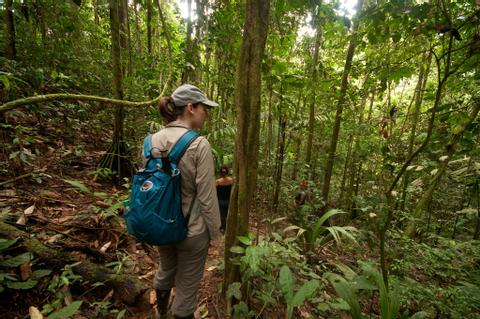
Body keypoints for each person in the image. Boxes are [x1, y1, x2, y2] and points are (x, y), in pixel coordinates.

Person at [149, 84, 221, 319]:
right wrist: (215, 233)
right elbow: (208, 197)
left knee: (166, 268)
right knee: (187, 291)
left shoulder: (151, 142)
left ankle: (160, 313)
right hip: (192, 231)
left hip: (160, 224)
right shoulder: (199, 144)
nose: (206, 113)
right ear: (190, 107)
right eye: (204, 108)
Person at [216, 164, 234, 232]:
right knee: (227, 215)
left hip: (220, 201)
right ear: (227, 172)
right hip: (228, 200)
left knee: (222, 216)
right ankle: (229, 228)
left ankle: (223, 228)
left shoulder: (217, 181)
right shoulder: (232, 180)